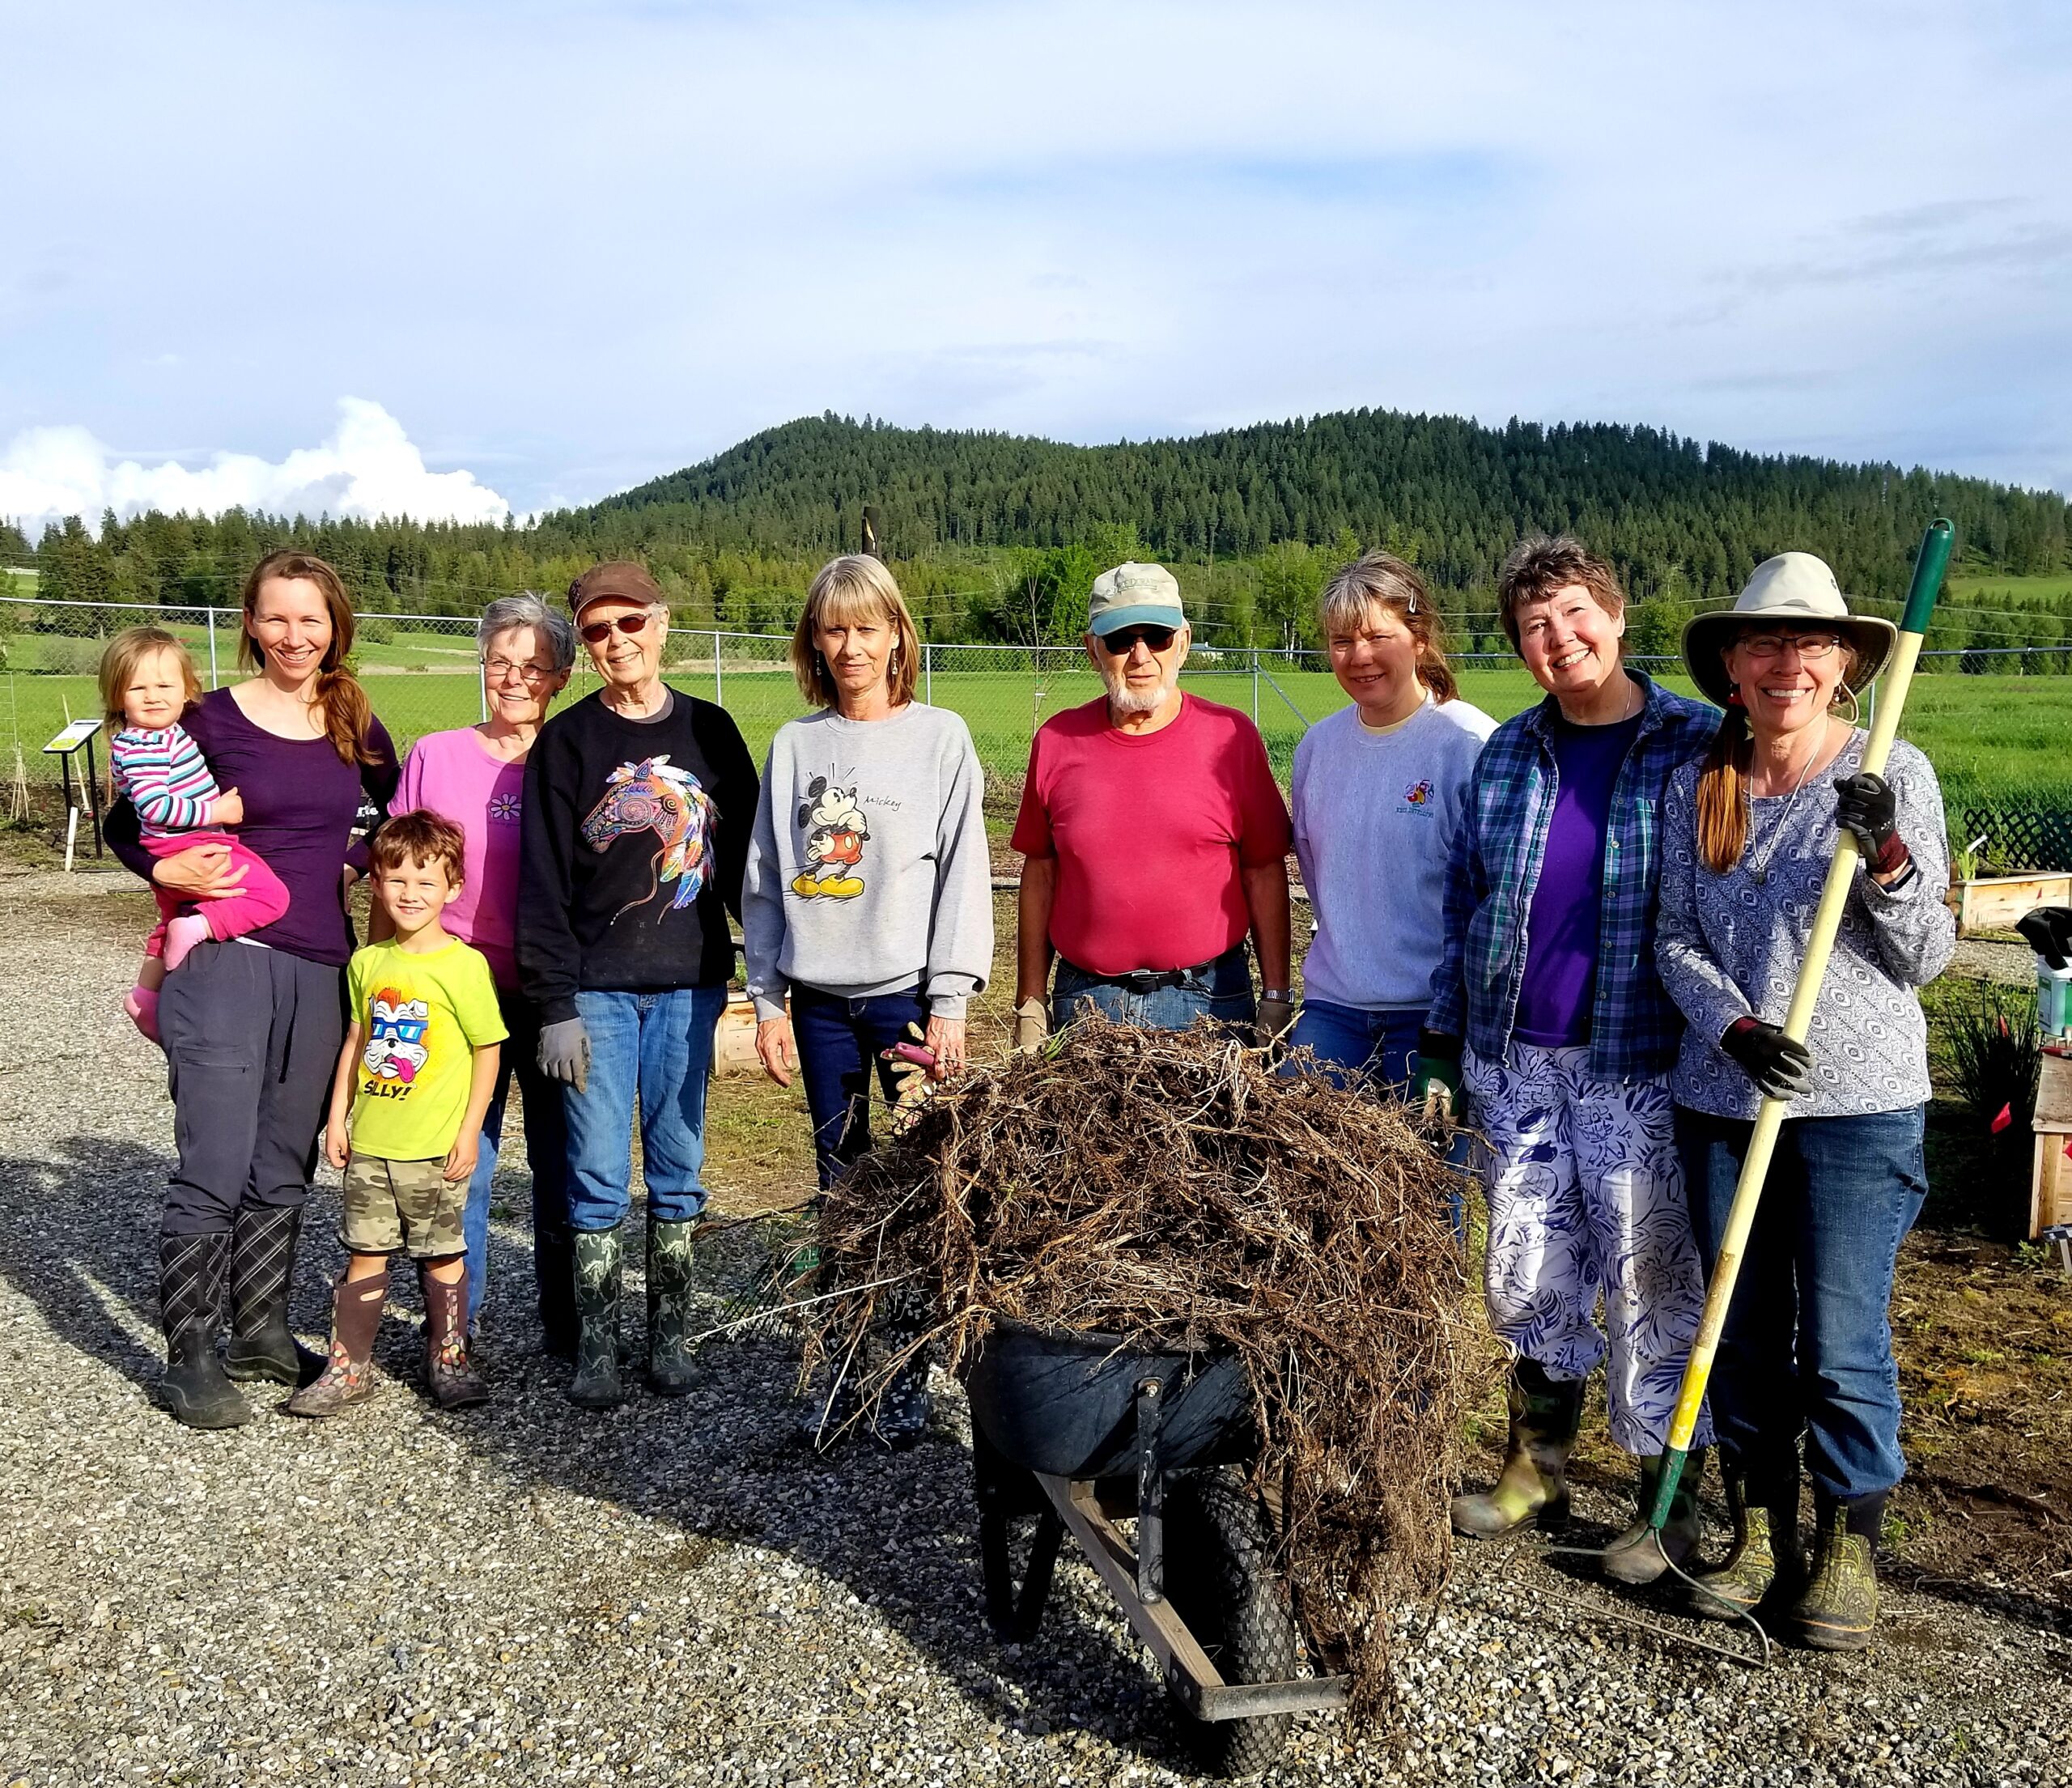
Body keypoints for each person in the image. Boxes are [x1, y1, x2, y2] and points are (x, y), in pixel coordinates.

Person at [1658, 551, 1953, 1649]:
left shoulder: (1889, 769)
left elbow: (1926, 955)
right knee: (1736, 1330)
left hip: (1859, 1106)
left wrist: (1887, 854)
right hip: (1722, 1100)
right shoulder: (1701, 783)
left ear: (1844, 665)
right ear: (1733, 666)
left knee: (1838, 1336)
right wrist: (1733, 1028)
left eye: (1811, 642)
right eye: (1765, 642)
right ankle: (1761, 1525)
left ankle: (1848, 1544)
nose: (1789, 662)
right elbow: (1673, 937)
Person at [1419, 533, 1719, 1582]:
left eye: (1575, 613)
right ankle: (1536, 1466)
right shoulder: (1509, 753)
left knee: (1653, 1278)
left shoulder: (1696, 742)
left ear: (1617, 615)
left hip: (1641, 1060)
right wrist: (1443, 1038)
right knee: (1528, 1272)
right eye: (1533, 627)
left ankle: (1665, 1500)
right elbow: (1466, 906)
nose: (1559, 638)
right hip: (1516, 1059)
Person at [107, 551, 398, 1429]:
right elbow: (129, 818)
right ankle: (190, 1353)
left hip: (321, 961)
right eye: (276, 617)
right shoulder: (208, 717)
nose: (294, 636)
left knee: (283, 1159)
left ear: (335, 626)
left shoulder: (353, 717)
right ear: (249, 623)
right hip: (225, 957)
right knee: (217, 1157)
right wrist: (165, 868)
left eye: (311, 619)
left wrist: (355, 864)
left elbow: (398, 807)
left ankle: (260, 1329)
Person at [742, 554, 992, 1446]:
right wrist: (767, 999)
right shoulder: (795, 746)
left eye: (866, 628)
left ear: (896, 637)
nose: (850, 646)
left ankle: (907, 1373)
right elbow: (765, 881)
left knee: (925, 1181)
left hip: (905, 1006)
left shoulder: (939, 738)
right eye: (833, 629)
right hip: (819, 1007)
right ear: (814, 640)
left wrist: (951, 1000)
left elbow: (963, 875)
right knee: (840, 1186)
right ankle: (847, 1361)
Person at [518, 561, 758, 1409]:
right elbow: (542, 883)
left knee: (678, 1166)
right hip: (597, 996)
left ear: (660, 623)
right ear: (584, 644)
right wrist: (554, 1003)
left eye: (630, 622)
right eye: (597, 629)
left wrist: (771, 975)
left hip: (690, 989)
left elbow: (747, 867)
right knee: (593, 1170)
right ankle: (597, 1347)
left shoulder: (712, 731)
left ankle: (670, 1337)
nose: (617, 640)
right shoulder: (568, 743)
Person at [389, 594, 577, 1352]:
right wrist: (381, 980)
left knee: (564, 1161)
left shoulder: (575, 758)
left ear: (560, 678)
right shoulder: (434, 756)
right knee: (460, 1160)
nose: (513, 679)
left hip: (554, 992)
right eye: (500, 662)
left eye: (533, 666)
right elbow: (395, 872)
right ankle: (455, 1326)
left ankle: (569, 1321)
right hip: (455, 991)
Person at [1011, 562, 1292, 1047]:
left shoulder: (1231, 738)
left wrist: (1276, 994)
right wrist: (1031, 1000)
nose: (1140, 656)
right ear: (1093, 650)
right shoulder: (1057, 741)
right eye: (1121, 640)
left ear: (1183, 642)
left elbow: (1263, 871)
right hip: (1087, 1002)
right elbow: (1041, 874)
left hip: (1210, 1001)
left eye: (1157, 638)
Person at [290, 811, 506, 1416]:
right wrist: (338, 1116)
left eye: (426, 881)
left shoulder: (464, 967)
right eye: (397, 880)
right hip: (373, 1145)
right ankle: (348, 1369)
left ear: (452, 888)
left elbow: (488, 1051)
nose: (410, 894)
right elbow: (356, 1042)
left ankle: (449, 1358)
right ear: (377, 884)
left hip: (435, 1147)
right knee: (365, 1251)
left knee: (442, 1254)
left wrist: (470, 1133)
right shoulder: (367, 963)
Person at [1287, 552, 1495, 1090]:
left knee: (1430, 1147)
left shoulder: (1469, 745)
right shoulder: (1318, 748)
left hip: (1434, 1013)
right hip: (1334, 1007)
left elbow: (1491, 898)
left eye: (1378, 637)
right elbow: (1316, 876)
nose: (1360, 656)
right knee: (1296, 1139)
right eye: (1342, 641)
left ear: (1419, 638)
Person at [100, 626, 291, 1043]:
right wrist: (216, 811)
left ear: (187, 689)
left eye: (164, 685)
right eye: (138, 687)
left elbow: (132, 795)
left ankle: (145, 997)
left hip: (165, 846)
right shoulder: (148, 745)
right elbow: (154, 806)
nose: (153, 696)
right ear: (117, 696)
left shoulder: (141, 738)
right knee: (271, 897)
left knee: (167, 919)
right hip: (191, 842)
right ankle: (200, 927)